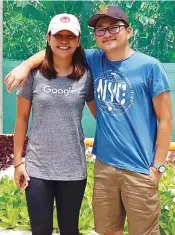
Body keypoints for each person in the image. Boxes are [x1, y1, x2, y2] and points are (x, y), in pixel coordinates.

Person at [5, 6, 173, 235]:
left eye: (114, 27)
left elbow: (165, 119)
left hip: (139, 167)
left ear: (129, 31)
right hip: (104, 166)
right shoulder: (93, 60)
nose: (107, 34)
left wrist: (158, 167)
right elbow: (56, 50)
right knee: (108, 231)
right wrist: (25, 65)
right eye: (100, 30)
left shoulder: (148, 66)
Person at [13, 13, 95, 235]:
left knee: (70, 229)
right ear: (49, 38)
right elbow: (21, 119)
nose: (64, 40)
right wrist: (19, 162)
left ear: (78, 42)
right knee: (40, 230)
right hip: (38, 169)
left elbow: (101, 117)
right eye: (59, 35)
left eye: (70, 36)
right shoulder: (33, 75)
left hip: (73, 170)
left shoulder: (86, 76)